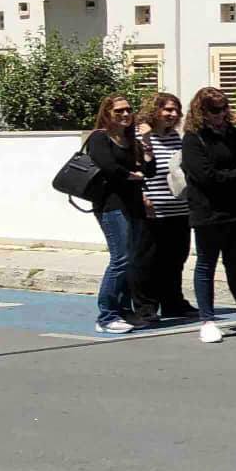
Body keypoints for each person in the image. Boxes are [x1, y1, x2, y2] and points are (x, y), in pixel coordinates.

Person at [179, 85, 236, 345]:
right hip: (208, 210)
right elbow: (205, 176)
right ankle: (207, 320)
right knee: (206, 263)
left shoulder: (231, 133)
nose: (220, 115)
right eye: (214, 110)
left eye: (223, 109)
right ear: (202, 111)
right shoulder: (193, 138)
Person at [82, 93, 152, 333]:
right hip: (112, 206)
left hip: (134, 205)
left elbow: (149, 170)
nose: (125, 114)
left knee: (131, 260)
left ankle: (123, 310)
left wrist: (147, 142)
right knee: (120, 259)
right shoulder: (99, 138)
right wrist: (132, 176)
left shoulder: (131, 140)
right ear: (107, 114)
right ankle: (106, 316)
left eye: (128, 109)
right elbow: (108, 167)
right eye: (119, 111)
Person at [133, 91, 195, 322]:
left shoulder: (175, 138)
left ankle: (173, 302)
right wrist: (142, 195)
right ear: (155, 110)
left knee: (175, 259)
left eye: (176, 110)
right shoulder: (139, 137)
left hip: (179, 208)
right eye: (167, 109)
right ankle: (145, 306)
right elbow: (136, 170)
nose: (172, 114)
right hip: (152, 209)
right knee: (147, 260)